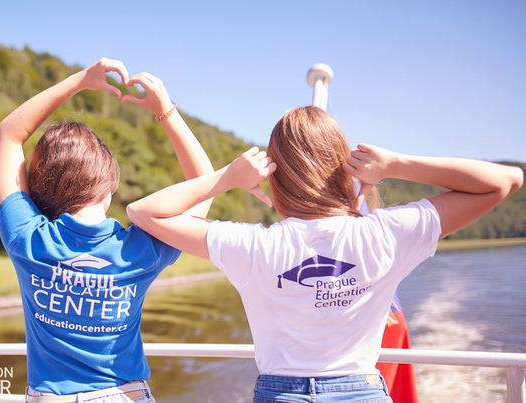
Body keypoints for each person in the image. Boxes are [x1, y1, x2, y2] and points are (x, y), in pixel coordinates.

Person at [126, 105, 523, 402]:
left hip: (281, 394)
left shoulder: (253, 246)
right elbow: (504, 181)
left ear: (274, 179)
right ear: (344, 171)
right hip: (363, 392)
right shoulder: (386, 235)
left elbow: (143, 212)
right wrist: (396, 164)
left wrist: (227, 178)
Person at [0, 58, 213, 403]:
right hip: (127, 395)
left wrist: (80, 80)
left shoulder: (28, 239)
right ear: (109, 184)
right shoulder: (141, 248)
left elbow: (9, 134)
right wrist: (165, 111)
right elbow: (204, 184)